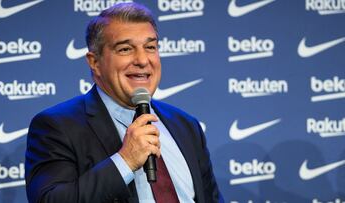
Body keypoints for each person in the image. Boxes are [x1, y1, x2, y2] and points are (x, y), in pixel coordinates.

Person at [25, 2, 223, 203]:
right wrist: (125, 161)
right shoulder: (58, 126)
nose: (142, 60)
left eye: (150, 47)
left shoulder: (186, 126)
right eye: (126, 49)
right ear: (95, 62)